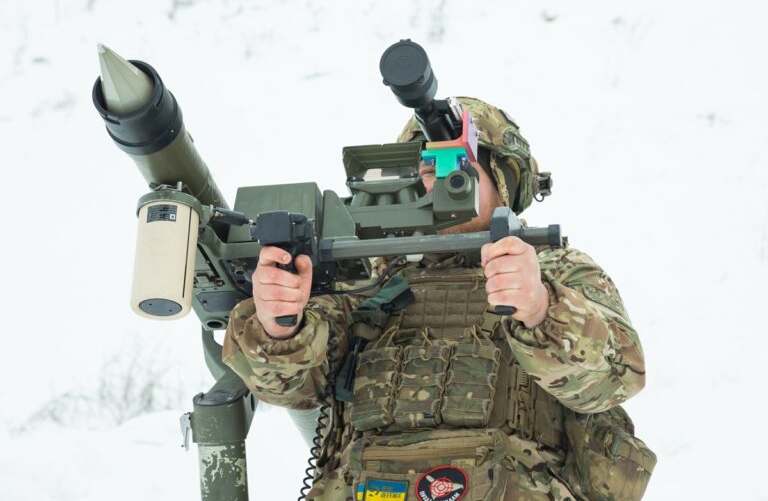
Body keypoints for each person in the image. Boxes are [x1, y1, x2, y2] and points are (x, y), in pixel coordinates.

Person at [222, 97, 655, 500]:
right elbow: (294, 388)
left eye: (459, 169)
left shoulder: (556, 270)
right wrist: (280, 324)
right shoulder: (367, 278)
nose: (442, 185)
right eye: (428, 171)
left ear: (502, 182)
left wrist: (541, 307)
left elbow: (615, 379)